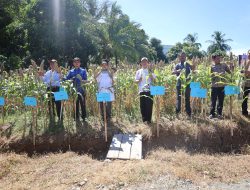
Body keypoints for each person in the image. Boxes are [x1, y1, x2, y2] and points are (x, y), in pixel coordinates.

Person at [209, 53, 232, 119]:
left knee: (221, 100)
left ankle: (219, 113)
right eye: (217, 58)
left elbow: (229, 72)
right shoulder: (211, 66)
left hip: (222, 86)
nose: (219, 59)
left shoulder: (224, 65)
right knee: (213, 100)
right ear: (213, 59)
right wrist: (214, 75)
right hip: (214, 86)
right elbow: (209, 76)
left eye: (220, 58)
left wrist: (232, 67)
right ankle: (212, 113)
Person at [172, 52, 194, 117]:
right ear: (179, 57)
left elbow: (193, 71)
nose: (182, 57)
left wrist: (194, 67)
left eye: (184, 56)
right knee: (179, 98)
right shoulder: (177, 65)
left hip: (187, 84)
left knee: (187, 98)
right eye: (181, 56)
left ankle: (188, 113)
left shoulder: (188, 65)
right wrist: (177, 71)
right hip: (179, 84)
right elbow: (172, 72)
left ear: (185, 57)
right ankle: (178, 112)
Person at [135, 57, 155, 124]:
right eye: (143, 62)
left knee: (149, 106)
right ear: (141, 63)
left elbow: (154, 80)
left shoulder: (150, 71)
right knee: (142, 106)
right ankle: (144, 121)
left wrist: (151, 76)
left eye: (145, 61)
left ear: (148, 63)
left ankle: (149, 120)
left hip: (149, 90)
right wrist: (139, 80)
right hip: (141, 90)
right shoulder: (138, 71)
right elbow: (136, 81)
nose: (144, 63)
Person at [95, 59, 114, 124]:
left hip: (109, 90)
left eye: (105, 65)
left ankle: (108, 118)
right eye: (103, 65)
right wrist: (100, 71)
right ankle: (103, 117)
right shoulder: (99, 73)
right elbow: (96, 79)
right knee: (101, 105)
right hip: (101, 90)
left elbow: (113, 80)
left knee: (109, 105)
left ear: (107, 65)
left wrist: (109, 72)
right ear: (101, 66)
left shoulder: (111, 72)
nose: (104, 66)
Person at [241, 50, 250, 116]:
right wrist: (244, 72)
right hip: (245, 84)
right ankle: (244, 111)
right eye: (249, 54)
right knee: (244, 98)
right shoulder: (244, 62)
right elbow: (240, 71)